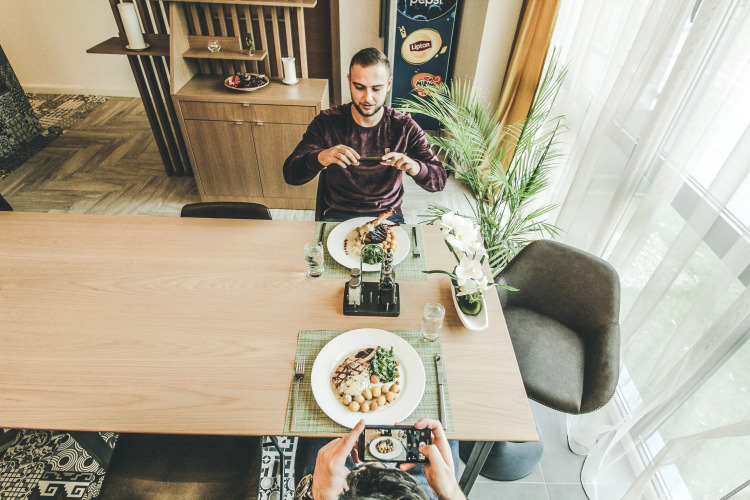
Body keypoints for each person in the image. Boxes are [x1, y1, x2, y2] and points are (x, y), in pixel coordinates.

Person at [283, 47, 447, 223]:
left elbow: (439, 181)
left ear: (389, 84)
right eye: (359, 87)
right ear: (349, 81)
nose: (368, 98)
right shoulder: (326, 122)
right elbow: (291, 175)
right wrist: (322, 157)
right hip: (338, 213)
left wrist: (415, 167)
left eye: (376, 89)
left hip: (387, 214)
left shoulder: (404, 127)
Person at [293, 418, 466, 500]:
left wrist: (319, 494)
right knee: (440, 432)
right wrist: (451, 491)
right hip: (420, 494)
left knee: (324, 428)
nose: (371, 463)